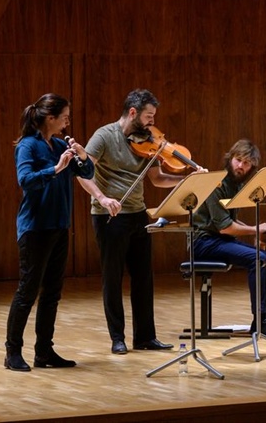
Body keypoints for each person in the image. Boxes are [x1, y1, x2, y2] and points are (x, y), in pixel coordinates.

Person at [77, 89, 202, 354]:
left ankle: (145, 337)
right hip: (109, 216)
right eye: (148, 116)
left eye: (153, 117)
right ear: (133, 113)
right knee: (112, 278)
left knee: (144, 278)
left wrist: (188, 179)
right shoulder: (104, 136)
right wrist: (102, 197)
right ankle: (117, 338)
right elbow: (82, 172)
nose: (152, 123)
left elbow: (157, 179)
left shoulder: (147, 142)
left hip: (137, 214)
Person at [5, 93, 95, 372]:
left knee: (52, 293)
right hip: (35, 227)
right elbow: (26, 181)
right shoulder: (27, 146)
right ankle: (12, 353)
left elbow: (88, 173)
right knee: (27, 291)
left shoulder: (58, 144)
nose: (68, 120)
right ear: (50, 117)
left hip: (59, 225)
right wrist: (55, 169)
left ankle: (44, 351)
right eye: (65, 115)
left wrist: (81, 156)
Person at [192, 139, 266, 337]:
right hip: (203, 243)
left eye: (246, 163)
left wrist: (258, 229)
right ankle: (259, 319)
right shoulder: (216, 184)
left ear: (252, 167)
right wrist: (255, 229)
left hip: (218, 241)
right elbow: (225, 228)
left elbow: (230, 220)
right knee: (258, 259)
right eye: (238, 160)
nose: (241, 166)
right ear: (230, 158)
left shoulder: (234, 185)